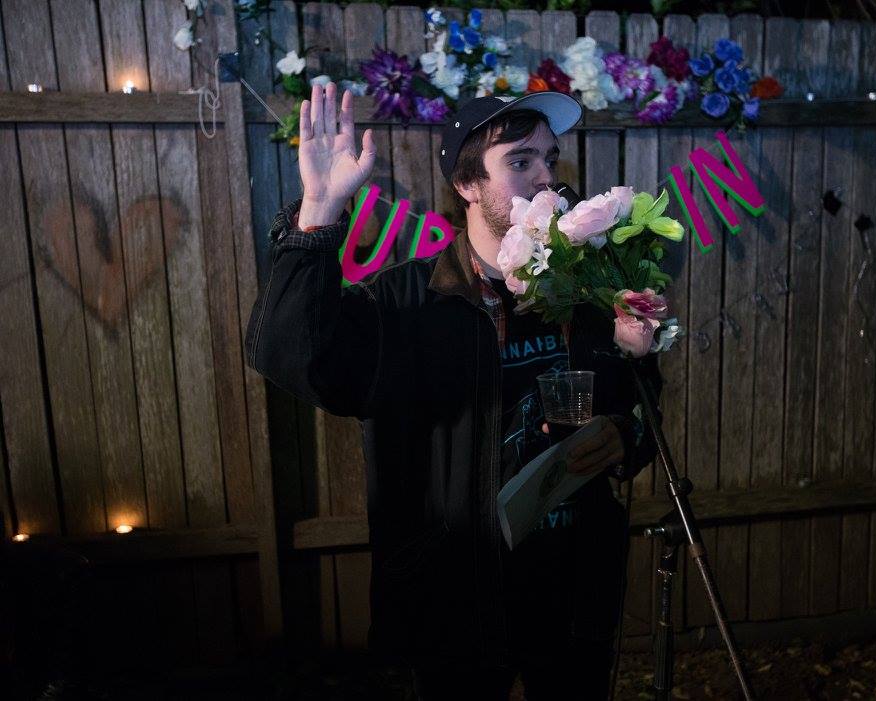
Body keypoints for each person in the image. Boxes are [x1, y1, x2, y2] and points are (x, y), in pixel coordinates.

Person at [245, 83, 662, 700]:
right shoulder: (405, 303)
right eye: (520, 161)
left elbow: (638, 402)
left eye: (551, 158)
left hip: (574, 595)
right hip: (453, 604)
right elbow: (288, 354)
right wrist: (317, 214)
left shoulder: (590, 293)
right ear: (467, 185)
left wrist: (625, 436)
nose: (547, 177)